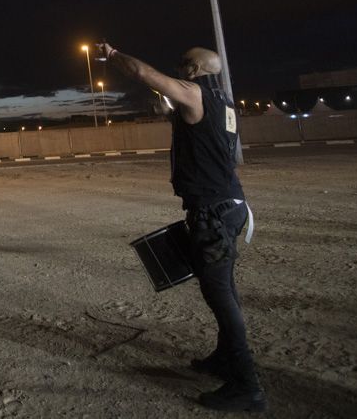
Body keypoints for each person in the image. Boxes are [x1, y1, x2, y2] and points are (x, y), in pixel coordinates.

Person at [99, 42, 266, 412]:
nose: (178, 69)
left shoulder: (193, 91)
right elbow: (201, 134)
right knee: (221, 290)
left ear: (194, 69)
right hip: (228, 208)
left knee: (221, 297)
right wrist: (169, 114)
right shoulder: (222, 102)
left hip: (214, 214)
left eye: (182, 64)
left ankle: (246, 385)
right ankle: (225, 359)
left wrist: (111, 55)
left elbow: (144, 74)